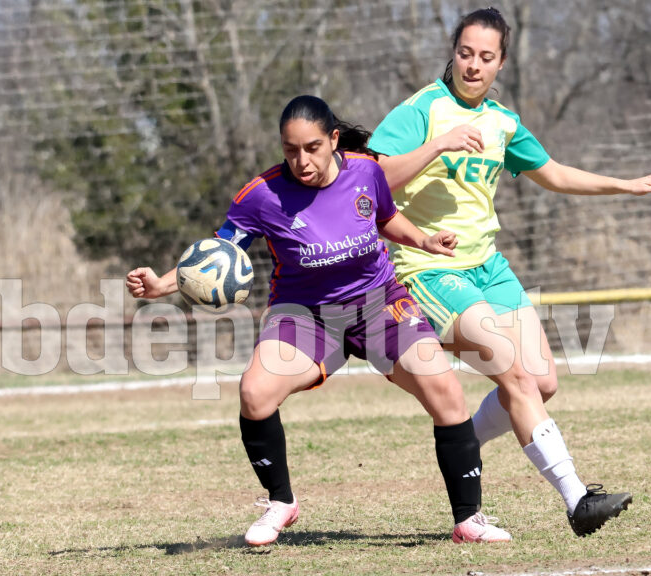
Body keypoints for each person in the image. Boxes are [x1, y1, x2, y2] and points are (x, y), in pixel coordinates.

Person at [127, 95, 512, 547]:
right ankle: (280, 502)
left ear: (333, 140)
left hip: (378, 303)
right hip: (305, 314)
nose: (301, 160)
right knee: (254, 392)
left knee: (445, 389)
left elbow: (385, 218)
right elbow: (218, 255)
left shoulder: (365, 172)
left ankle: (469, 519)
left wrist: (425, 240)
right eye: (291, 150)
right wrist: (161, 286)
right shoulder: (261, 195)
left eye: (312, 148)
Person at [368, 7, 651, 536]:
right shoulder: (421, 110)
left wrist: (628, 185)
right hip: (428, 267)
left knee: (541, 380)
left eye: (485, 57)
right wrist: (437, 144)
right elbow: (372, 180)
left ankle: (463, 434)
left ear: (502, 63)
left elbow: (553, 173)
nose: (473, 65)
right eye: (465, 53)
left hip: (487, 266)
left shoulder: (501, 121)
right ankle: (578, 500)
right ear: (453, 51)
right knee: (513, 372)